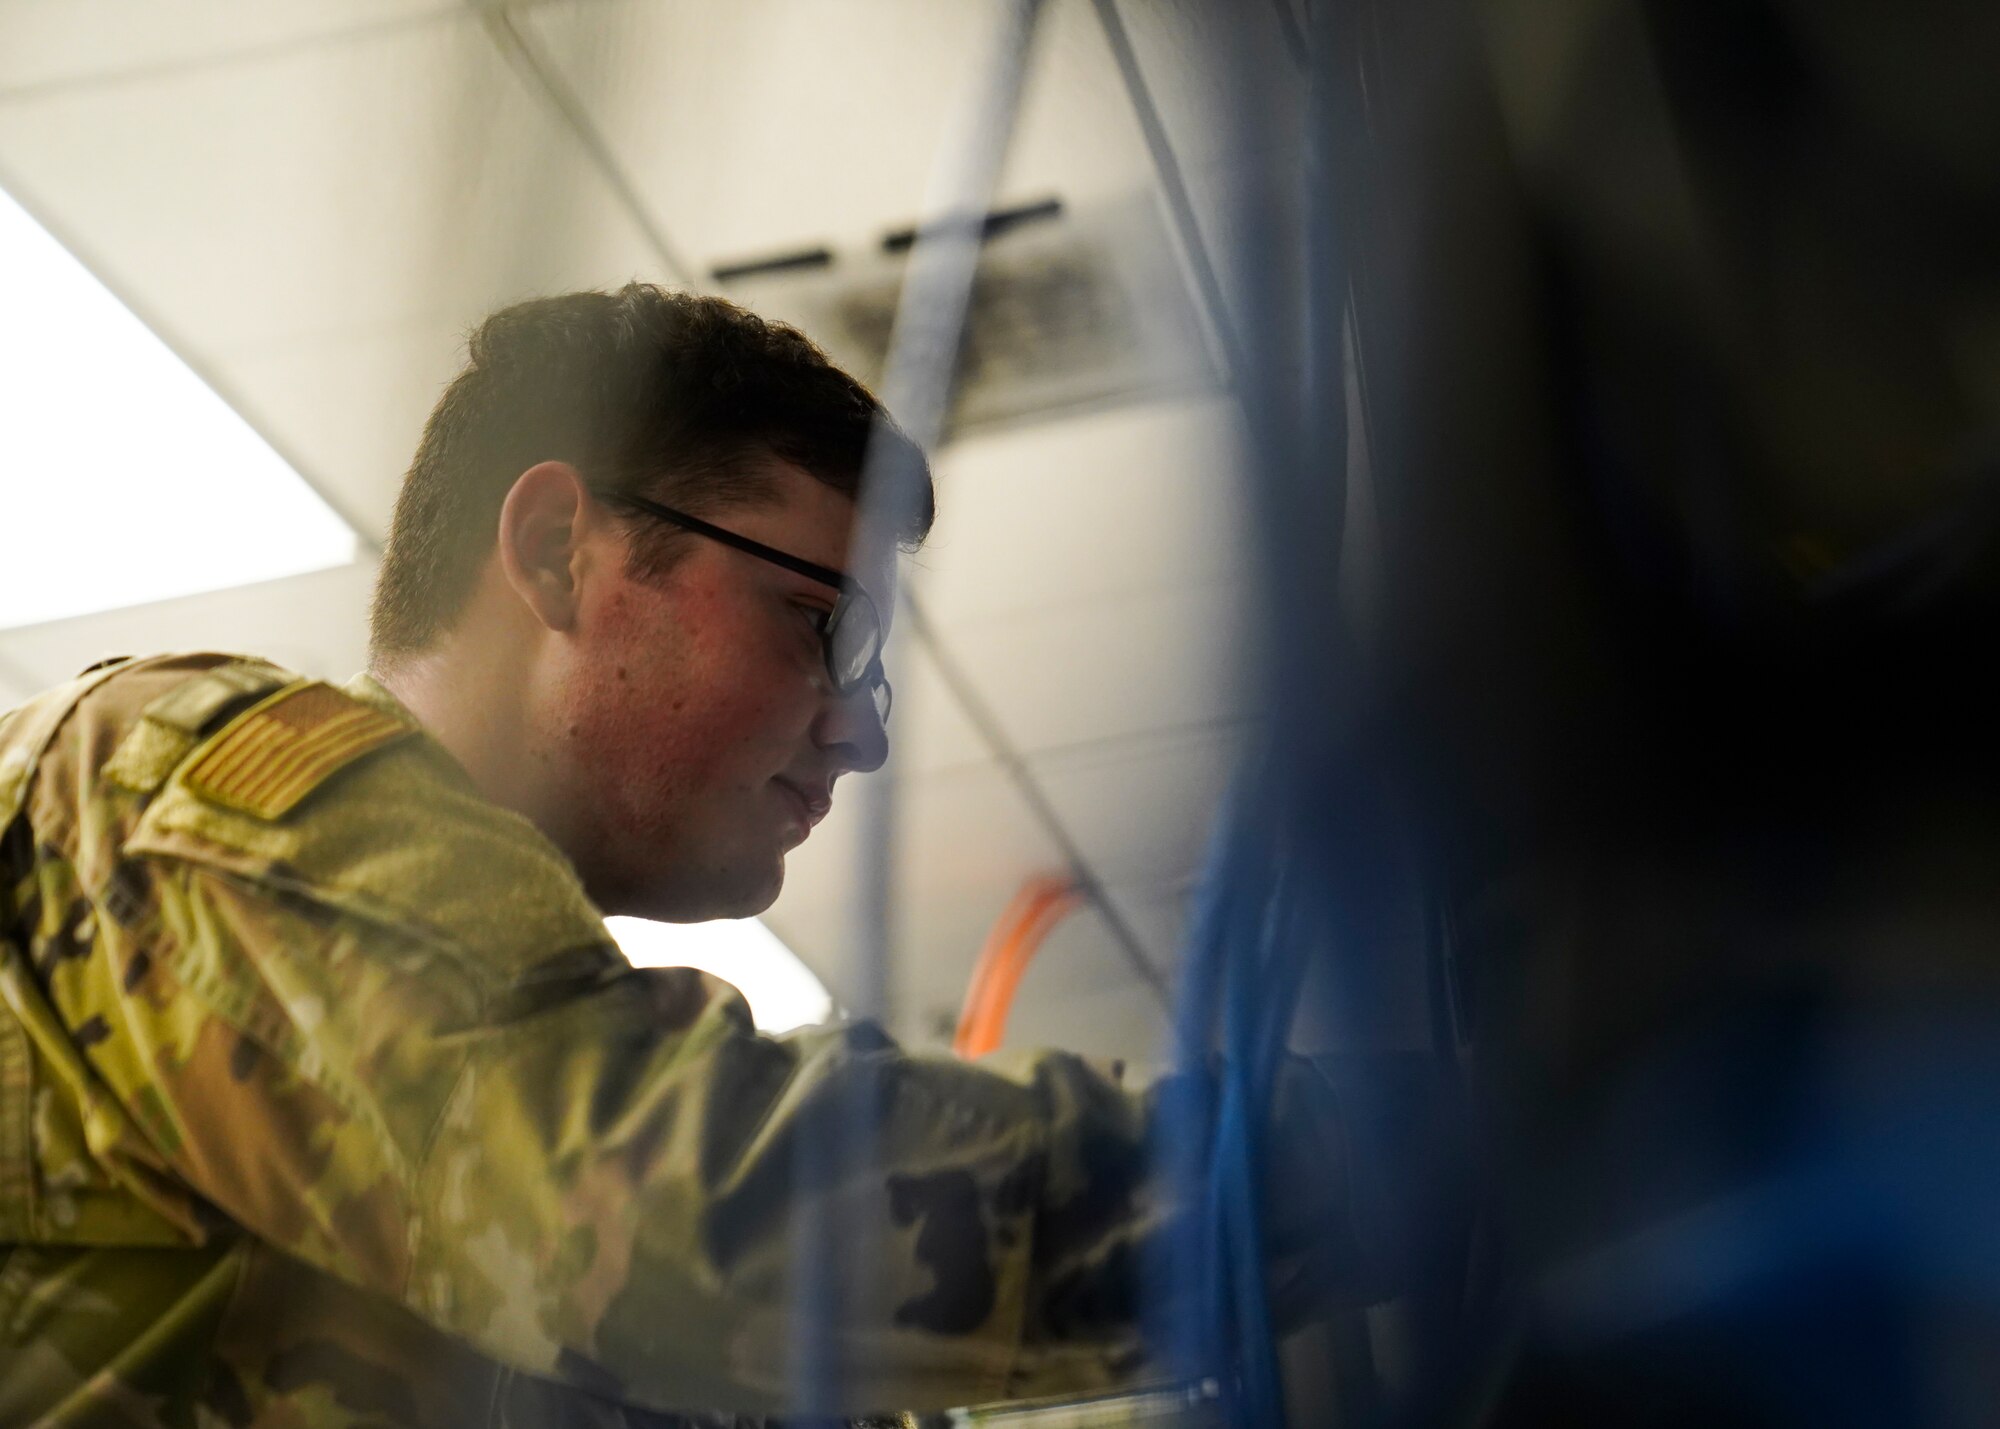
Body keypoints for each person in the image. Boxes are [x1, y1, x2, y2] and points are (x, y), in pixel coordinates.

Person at [0, 285, 1402, 1425]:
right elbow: (694, 1217)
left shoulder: (475, 1083)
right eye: (820, 624)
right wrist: (1392, 1161)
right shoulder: (165, 772)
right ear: (557, 550)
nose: (860, 734)